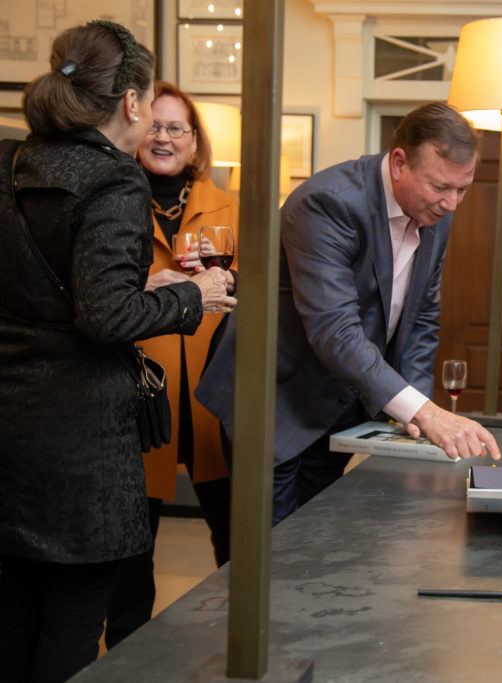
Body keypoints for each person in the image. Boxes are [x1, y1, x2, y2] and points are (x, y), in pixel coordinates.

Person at [0, 21, 235, 683]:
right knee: (73, 632)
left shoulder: (13, 162)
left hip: (14, 431)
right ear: (132, 103)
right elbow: (105, 318)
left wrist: (142, 282)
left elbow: (50, 287)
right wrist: (195, 296)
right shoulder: (113, 181)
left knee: (15, 615)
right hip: (79, 448)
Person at [197, 101, 500, 525]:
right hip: (274, 401)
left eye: (462, 189)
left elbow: (422, 315)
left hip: (337, 402)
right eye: (439, 187)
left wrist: (410, 417)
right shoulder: (326, 203)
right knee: (269, 557)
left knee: (316, 543)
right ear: (399, 163)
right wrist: (426, 414)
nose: (452, 203)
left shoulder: (436, 212)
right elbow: (334, 331)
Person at [103, 80, 238, 650]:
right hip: (141, 391)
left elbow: (254, 289)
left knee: (234, 535)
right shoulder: (112, 196)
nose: (163, 137)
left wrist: (223, 280)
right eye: (154, 125)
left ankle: (240, 639)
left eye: (176, 127)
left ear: (194, 140)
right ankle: (130, 652)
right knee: (134, 546)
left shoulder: (230, 205)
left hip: (213, 387)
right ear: (136, 131)